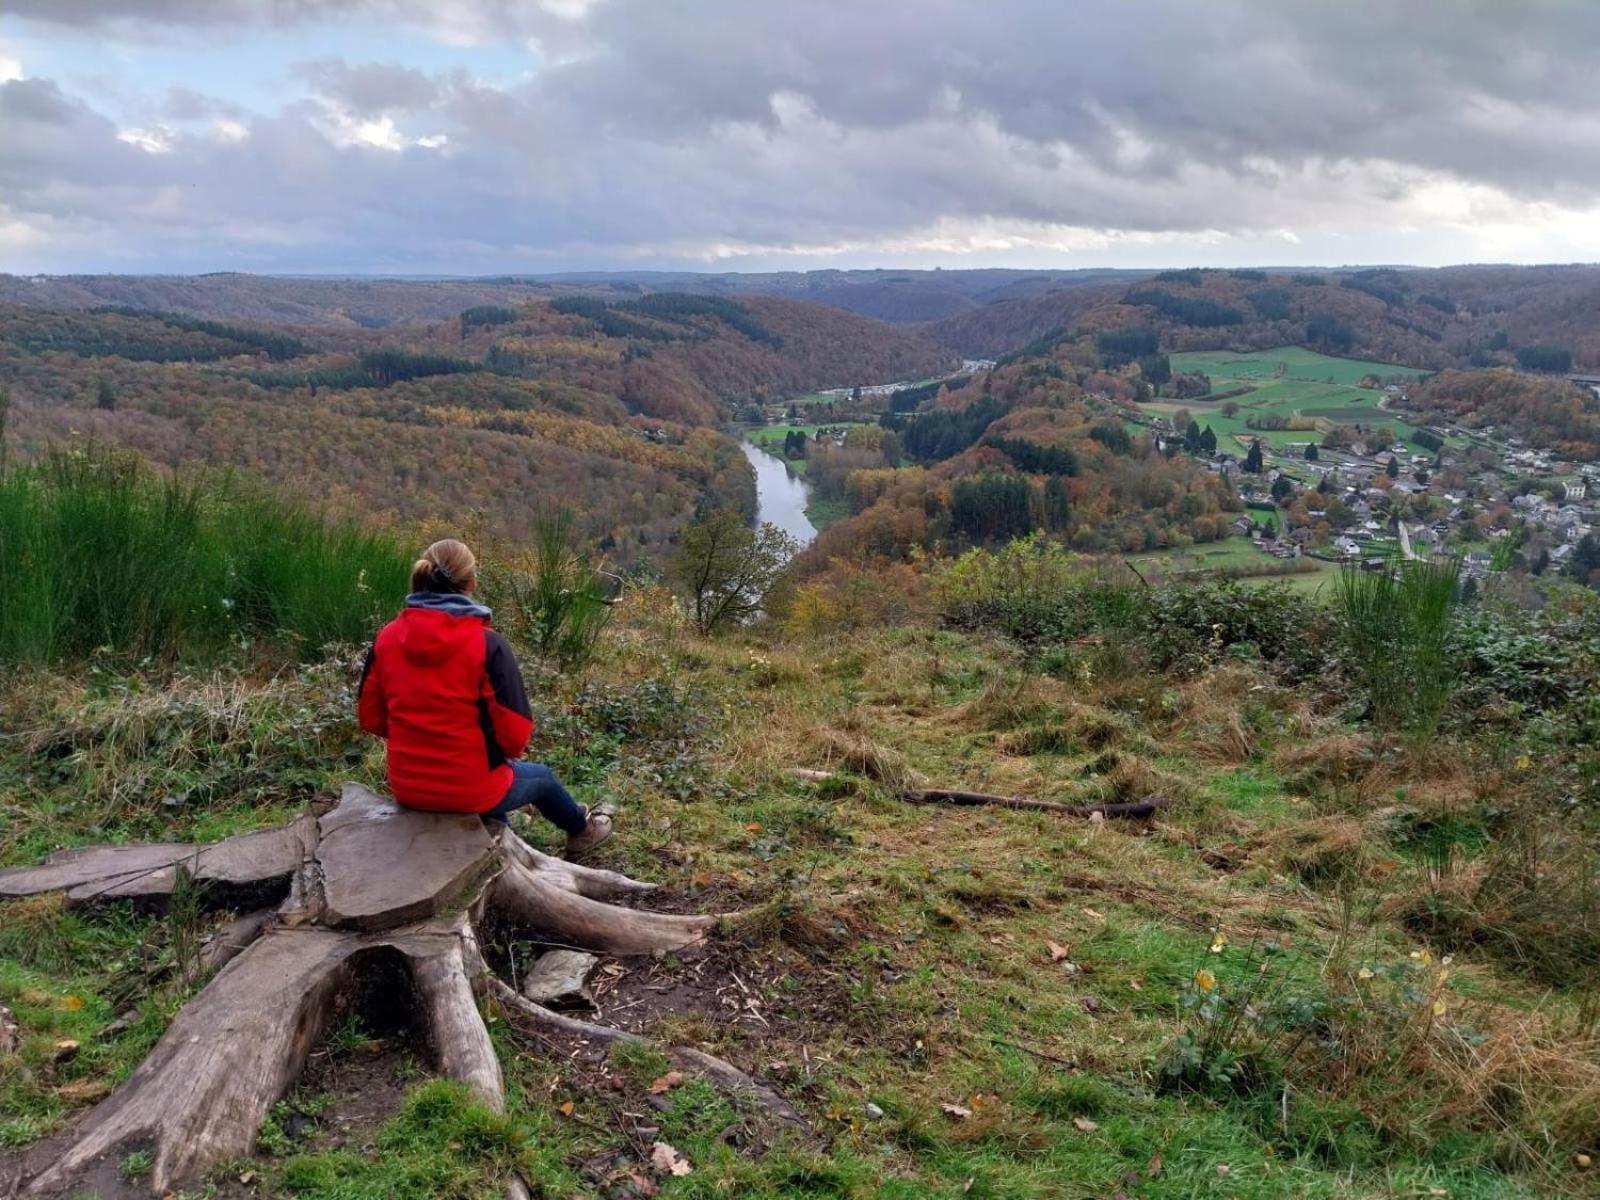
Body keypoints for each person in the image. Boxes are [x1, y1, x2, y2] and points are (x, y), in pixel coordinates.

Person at [356, 538, 613, 856]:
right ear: (472, 583)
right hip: (472, 789)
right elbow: (515, 735)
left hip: (408, 788)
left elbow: (370, 717)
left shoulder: (386, 638)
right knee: (543, 779)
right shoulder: (487, 644)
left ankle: (496, 839)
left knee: (496, 801)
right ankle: (583, 831)